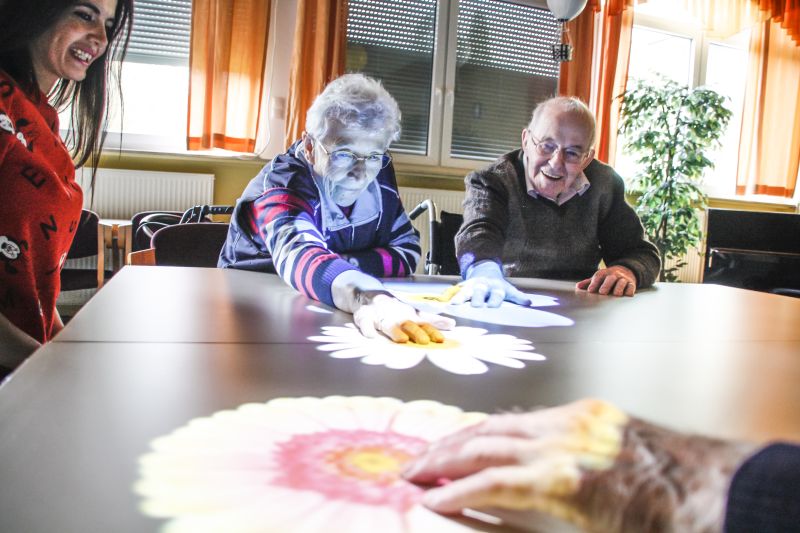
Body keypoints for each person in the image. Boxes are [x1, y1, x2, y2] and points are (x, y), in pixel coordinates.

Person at [219, 74, 453, 344]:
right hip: (256, 315)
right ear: (309, 146)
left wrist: (338, 266)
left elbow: (407, 249)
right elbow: (301, 255)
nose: (361, 173)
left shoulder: (379, 170)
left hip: (334, 307)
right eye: (344, 154)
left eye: (374, 156)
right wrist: (369, 294)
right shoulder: (283, 184)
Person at [403, 398, 800, 532]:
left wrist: (701, 486)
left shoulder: (601, 199)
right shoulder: (499, 198)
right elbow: (478, 232)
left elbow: (638, 250)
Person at [0, 0, 133, 376]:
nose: (101, 38)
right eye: (84, 14)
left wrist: (62, 343)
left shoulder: (40, 116)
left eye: (107, 23)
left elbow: (31, 275)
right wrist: (46, 365)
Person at [453, 97, 661, 308]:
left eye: (572, 153)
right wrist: (484, 271)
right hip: (505, 298)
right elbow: (477, 233)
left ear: (587, 158)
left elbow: (641, 253)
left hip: (580, 307)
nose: (556, 163)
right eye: (546, 146)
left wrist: (626, 270)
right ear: (526, 141)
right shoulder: (493, 179)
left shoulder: (605, 184)